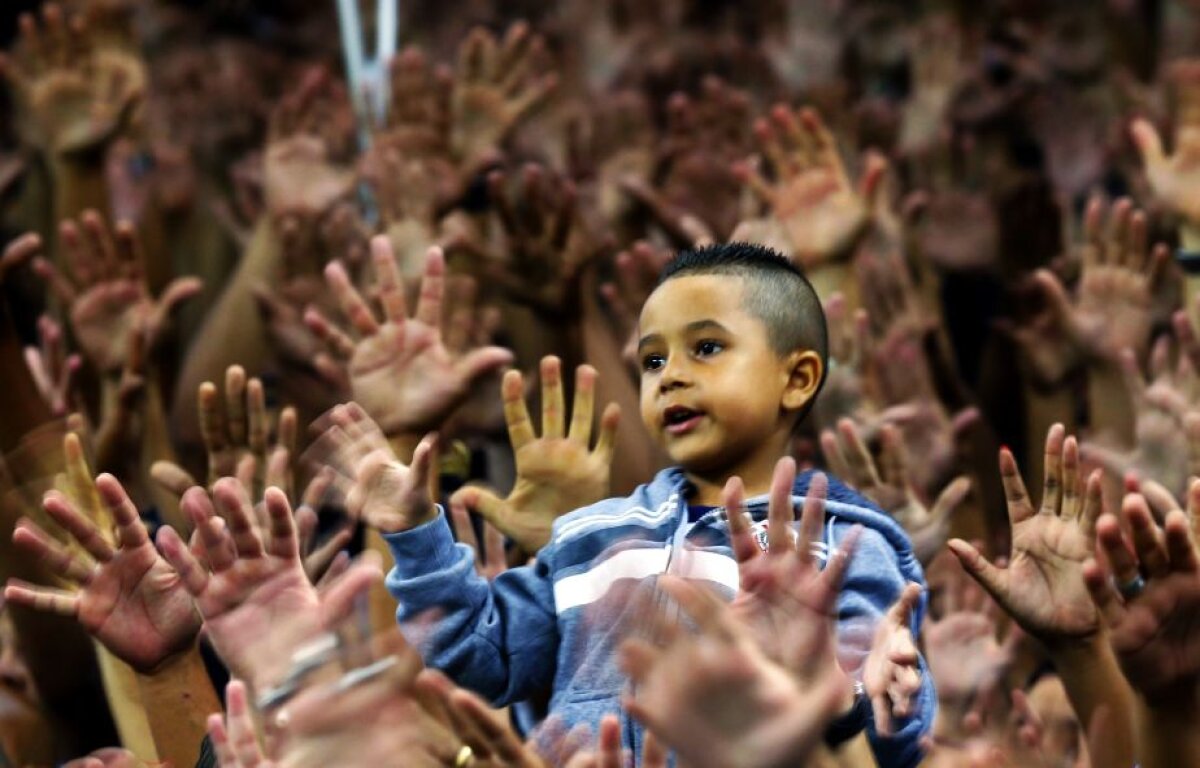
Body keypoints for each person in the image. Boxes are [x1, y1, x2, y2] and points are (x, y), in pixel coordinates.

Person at [371, 242, 934, 767]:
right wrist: (416, 532)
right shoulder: (594, 535)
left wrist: (855, 693)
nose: (672, 378)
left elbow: (895, 731)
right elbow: (480, 652)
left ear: (798, 378)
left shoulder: (841, 543)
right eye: (654, 361)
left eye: (707, 348)